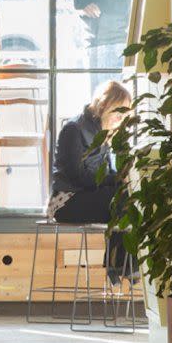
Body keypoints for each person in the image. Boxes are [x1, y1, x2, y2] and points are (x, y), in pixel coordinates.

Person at [49, 81, 132, 282]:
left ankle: (118, 265)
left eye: (125, 114)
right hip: (66, 201)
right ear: (104, 106)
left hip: (86, 197)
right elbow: (78, 176)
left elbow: (104, 174)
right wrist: (116, 179)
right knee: (121, 198)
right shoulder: (73, 129)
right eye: (118, 112)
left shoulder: (103, 133)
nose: (120, 119)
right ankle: (119, 266)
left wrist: (121, 179)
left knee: (127, 197)